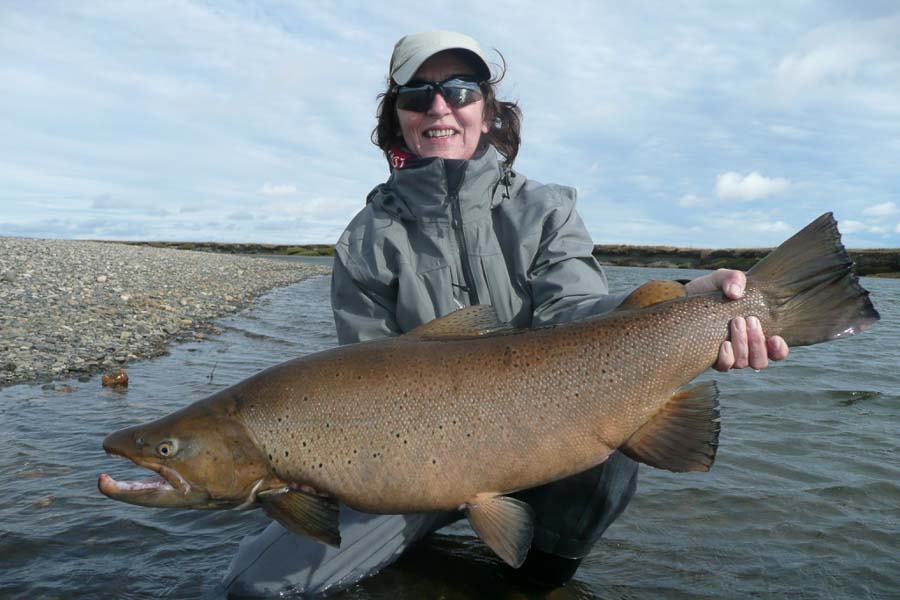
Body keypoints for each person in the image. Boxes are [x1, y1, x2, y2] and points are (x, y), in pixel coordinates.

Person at [222, 30, 789, 597]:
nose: (439, 106)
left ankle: (535, 579)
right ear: (397, 119)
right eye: (417, 95)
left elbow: (577, 310)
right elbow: (358, 374)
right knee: (256, 588)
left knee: (619, 434)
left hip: (544, 446)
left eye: (460, 90)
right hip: (408, 471)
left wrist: (694, 301)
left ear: (488, 111)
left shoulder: (546, 210)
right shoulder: (365, 241)